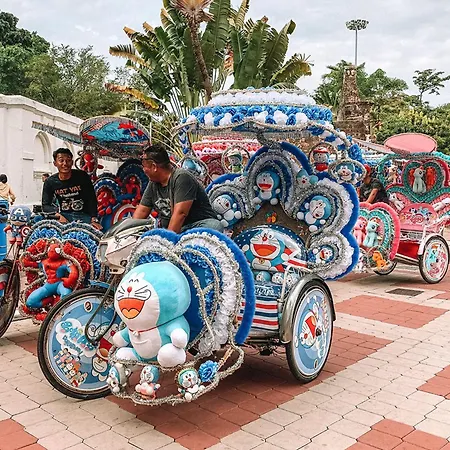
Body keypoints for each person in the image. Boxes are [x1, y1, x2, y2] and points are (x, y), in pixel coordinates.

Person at [133, 144, 223, 233]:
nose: (143, 170)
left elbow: (180, 214)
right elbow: (142, 211)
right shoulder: (153, 183)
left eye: (144, 166)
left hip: (194, 227)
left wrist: (168, 239)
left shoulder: (182, 177)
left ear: (154, 166)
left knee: (213, 226)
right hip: (173, 230)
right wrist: (130, 233)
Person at [42, 148, 101, 229]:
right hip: (63, 215)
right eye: (61, 160)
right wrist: (57, 215)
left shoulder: (82, 176)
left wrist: (94, 218)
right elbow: (45, 205)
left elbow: (91, 198)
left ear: (72, 162)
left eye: (68, 160)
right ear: (55, 163)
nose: (65, 164)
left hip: (84, 215)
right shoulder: (50, 182)